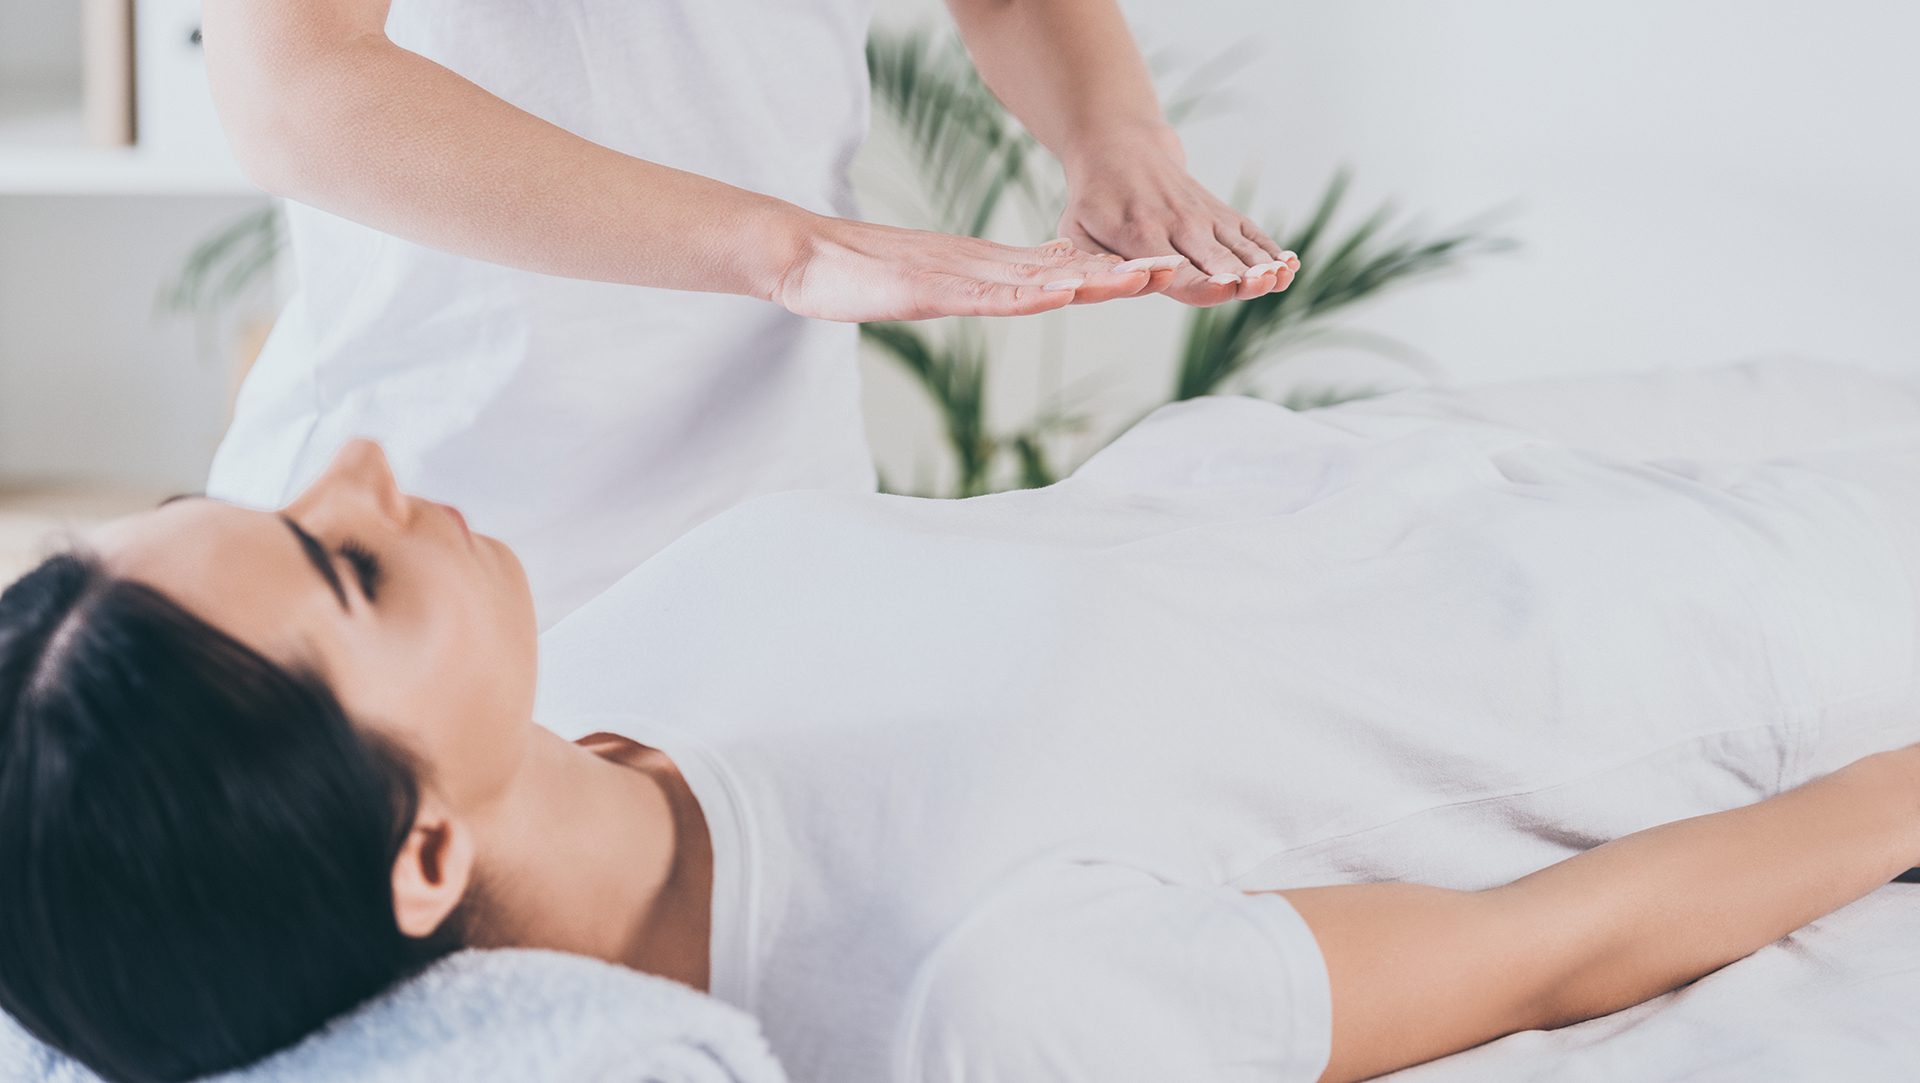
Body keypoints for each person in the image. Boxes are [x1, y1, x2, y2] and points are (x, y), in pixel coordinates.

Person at [4, 361, 1920, 1083]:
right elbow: (1551, 949)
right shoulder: (979, 997)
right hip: (1752, 638)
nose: (358, 463)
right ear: (425, 848)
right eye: (348, 570)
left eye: (277, 506)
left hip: (1510, 457)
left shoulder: (616, 656)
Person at [200, 0, 1300, 627]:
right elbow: (296, 89)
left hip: (778, 522)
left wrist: (1119, 137)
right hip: (425, 532)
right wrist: (785, 248)